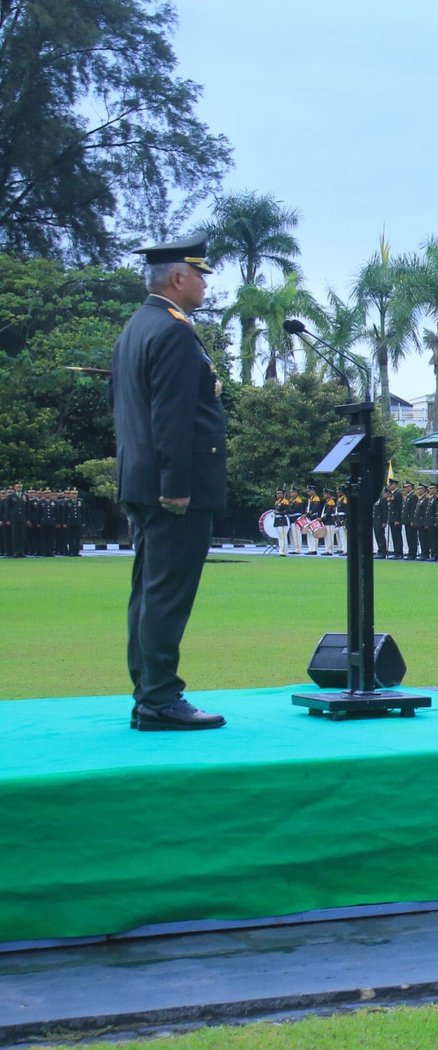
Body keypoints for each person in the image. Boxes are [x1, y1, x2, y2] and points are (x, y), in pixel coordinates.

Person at [112, 235, 227, 732]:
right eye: (199, 274)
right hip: (173, 489)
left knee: (148, 591)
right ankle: (160, 698)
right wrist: (176, 485)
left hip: (140, 481)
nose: (203, 283)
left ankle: (149, 693)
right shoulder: (175, 332)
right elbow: (172, 417)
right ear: (178, 278)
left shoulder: (137, 328)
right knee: (166, 594)